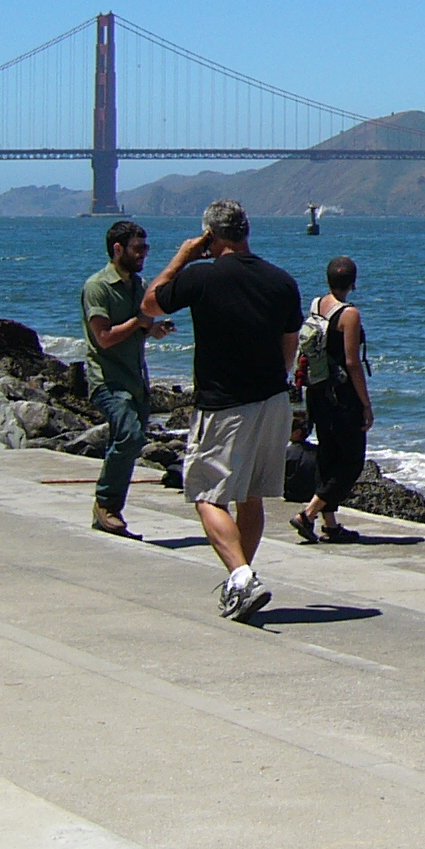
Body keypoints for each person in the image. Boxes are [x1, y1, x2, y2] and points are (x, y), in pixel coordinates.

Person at [141, 200, 301, 621]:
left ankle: (242, 576)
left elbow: (151, 304)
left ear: (210, 236)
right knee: (251, 495)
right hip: (273, 401)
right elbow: (290, 345)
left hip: (224, 404)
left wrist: (183, 255)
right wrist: (274, 380)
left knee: (205, 494)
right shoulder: (281, 281)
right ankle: (240, 582)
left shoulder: (201, 276)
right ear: (246, 231)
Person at [81, 219, 173, 538]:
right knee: (130, 437)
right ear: (118, 249)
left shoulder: (138, 284)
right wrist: (138, 321)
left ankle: (109, 510)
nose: (143, 253)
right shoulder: (98, 287)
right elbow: (104, 337)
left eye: (146, 247)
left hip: (136, 380)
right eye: (138, 248)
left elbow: (140, 327)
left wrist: (154, 329)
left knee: (127, 441)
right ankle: (106, 505)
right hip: (108, 380)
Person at [293, 255, 373, 544]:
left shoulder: (317, 305)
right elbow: (352, 362)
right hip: (341, 397)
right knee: (352, 461)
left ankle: (330, 525)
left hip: (317, 391)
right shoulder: (349, 314)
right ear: (353, 282)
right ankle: (308, 514)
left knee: (327, 455)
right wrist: (365, 404)